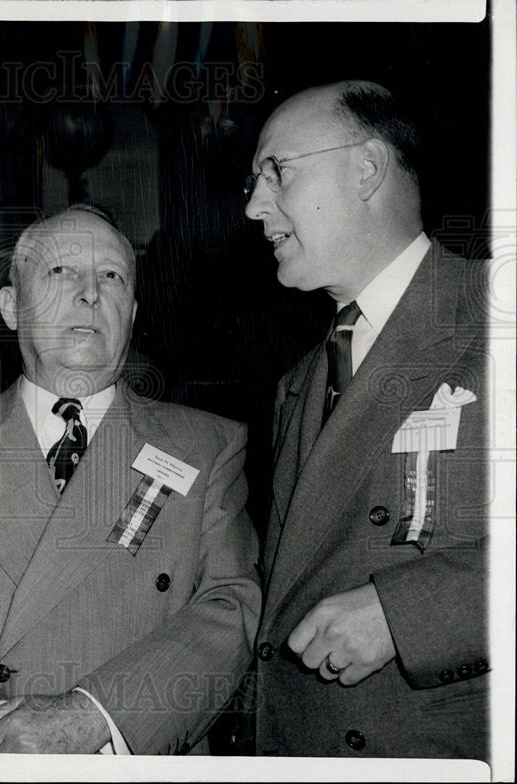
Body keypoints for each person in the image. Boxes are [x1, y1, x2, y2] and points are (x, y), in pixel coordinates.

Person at [0, 204, 261, 754]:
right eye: (62, 272)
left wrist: (93, 719)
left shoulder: (207, 446)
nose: (91, 292)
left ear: (133, 312)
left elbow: (229, 608)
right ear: (12, 307)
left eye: (112, 276)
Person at [244, 81, 489, 758]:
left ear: (367, 167)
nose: (256, 205)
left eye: (277, 173)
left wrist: (408, 613)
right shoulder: (298, 382)